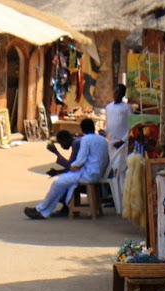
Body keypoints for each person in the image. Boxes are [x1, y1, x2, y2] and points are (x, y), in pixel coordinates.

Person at [25, 118, 109, 219]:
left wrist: (74, 167)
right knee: (63, 182)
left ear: (82, 129)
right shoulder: (102, 139)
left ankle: (41, 210)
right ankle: (43, 211)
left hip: (88, 174)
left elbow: (80, 159)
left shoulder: (85, 140)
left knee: (57, 184)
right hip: (97, 173)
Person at [104, 84, 133, 216]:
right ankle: (117, 199)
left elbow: (131, 125)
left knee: (123, 170)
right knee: (115, 170)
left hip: (122, 142)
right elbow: (108, 123)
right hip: (112, 142)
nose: (116, 94)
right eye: (115, 91)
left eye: (119, 93)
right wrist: (104, 132)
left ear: (122, 94)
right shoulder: (108, 107)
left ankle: (124, 200)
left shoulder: (127, 108)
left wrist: (124, 139)